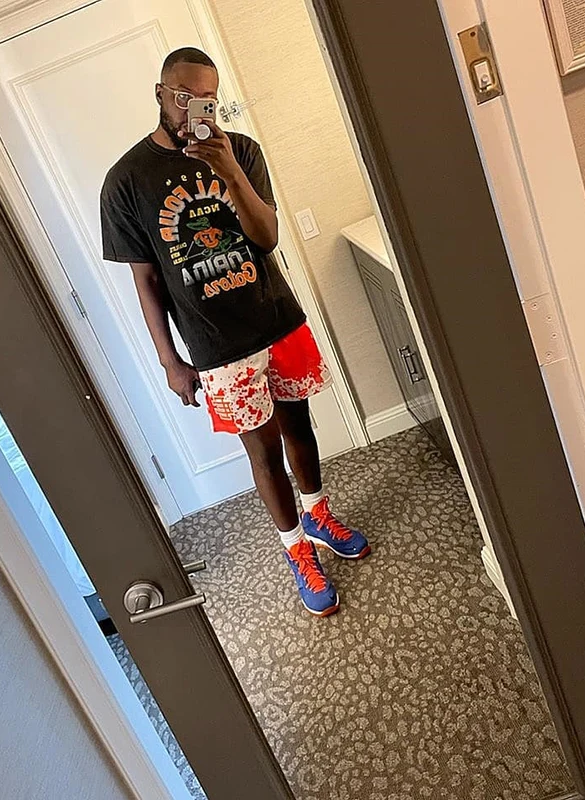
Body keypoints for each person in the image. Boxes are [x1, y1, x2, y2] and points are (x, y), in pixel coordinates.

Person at [100, 47, 370, 616]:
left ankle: (318, 515)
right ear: (160, 93)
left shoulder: (240, 151)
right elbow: (146, 280)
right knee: (264, 452)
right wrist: (170, 361)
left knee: (301, 428)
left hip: (276, 318)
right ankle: (296, 549)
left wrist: (229, 172)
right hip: (216, 344)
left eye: (207, 99)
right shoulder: (125, 181)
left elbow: (266, 237)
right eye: (183, 97)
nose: (194, 109)